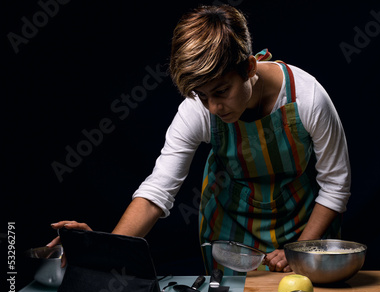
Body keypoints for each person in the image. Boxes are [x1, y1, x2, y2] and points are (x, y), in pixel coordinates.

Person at [48, 5, 351, 275]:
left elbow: (336, 184)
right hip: (233, 234)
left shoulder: (309, 99)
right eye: (202, 96)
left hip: (305, 224)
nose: (213, 108)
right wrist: (107, 249)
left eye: (221, 91)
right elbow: (157, 192)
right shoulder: (198, 110)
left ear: (248, 68)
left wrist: (299, 247)